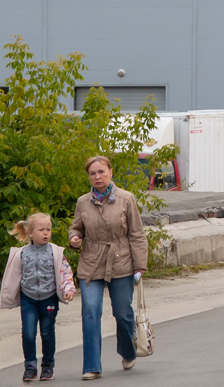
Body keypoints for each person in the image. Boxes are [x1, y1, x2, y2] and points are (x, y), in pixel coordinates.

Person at [69, 155, 147, 380]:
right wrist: (74, 238)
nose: (97, 177)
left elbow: (137, 234)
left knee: (122, 314)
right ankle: (92, 366)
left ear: (111, 172)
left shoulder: (126, 199)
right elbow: (76, 228)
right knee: (90, 311)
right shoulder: (83, 202)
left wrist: (140, 265)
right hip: (91, 264)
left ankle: (127, 350)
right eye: (92, 173)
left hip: (121, 261)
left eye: (101, 172)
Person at [1, 213, 76, 383]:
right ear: (30, 233)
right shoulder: (21, 254)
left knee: (47, 333)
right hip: (29, 298)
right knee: (28, 333)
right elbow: (12, 276)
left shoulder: (55, 252)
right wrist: (9, 294)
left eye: (48, 229)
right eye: (41, 230)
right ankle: (30, 367)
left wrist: (68, 289)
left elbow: (65, 272)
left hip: (49, 298)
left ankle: (48, 366)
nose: (45, 233)